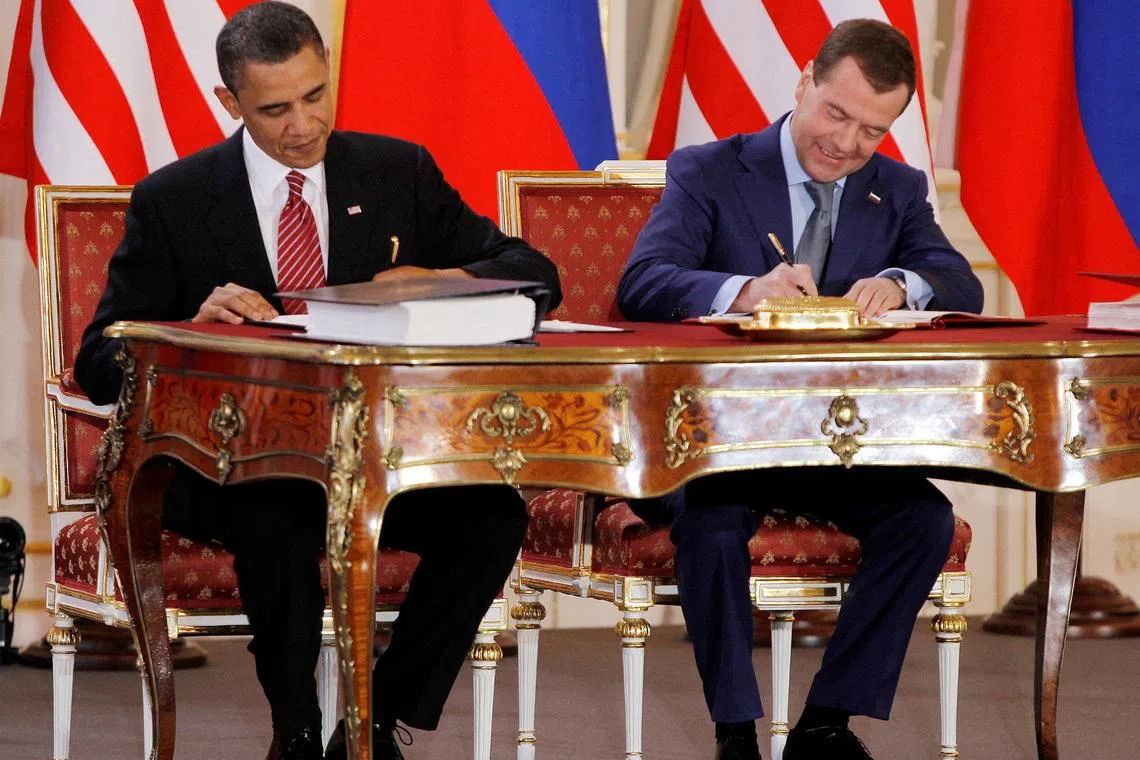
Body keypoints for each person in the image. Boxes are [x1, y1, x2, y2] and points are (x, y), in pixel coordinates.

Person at [74, 4, 561, 759]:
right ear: (229, 103)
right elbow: (99, 361)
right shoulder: (174, 200)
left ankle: (374, 721)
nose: (303, 124)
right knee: (281, 514)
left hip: (375, 459)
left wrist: (438, 279)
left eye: (316, 96)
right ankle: (295, 730)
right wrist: (192, 328)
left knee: (491, 515)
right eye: (275, 109)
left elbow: (535, 275)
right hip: (231, 463)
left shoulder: (397, 171)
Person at [617, 19, 982, 760]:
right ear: (804, 82)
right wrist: (746, 290)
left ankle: (825, 724)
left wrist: (898, 279)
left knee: (925, 524)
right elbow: (643, 283)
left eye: (872, 131)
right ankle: (735, 735)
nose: (846, 145)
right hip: (714, 440)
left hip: (835, 443)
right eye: (836, 114)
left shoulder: (898, 188)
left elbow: (960, 282)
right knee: (712, 527)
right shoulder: (710, 170)